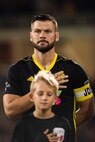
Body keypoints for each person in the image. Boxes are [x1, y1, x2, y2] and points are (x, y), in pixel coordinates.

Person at [3, 14, 94, 142]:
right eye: (37, 31)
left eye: (48, 31)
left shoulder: (73, 69)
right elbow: (10, 110)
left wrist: (62, 128)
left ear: (56, 36)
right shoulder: (18, 70)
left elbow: (87, 109)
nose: (42, 35)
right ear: (31, 36)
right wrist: (42, 89)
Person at [12, 70, 71, 142]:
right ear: (31, 97)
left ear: (55, 98)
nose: (44, 98)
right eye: (40, 94)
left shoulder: (63, 124)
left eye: (49, 94)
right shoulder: (23, 124)